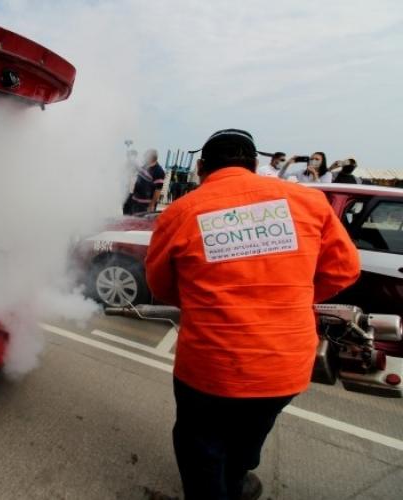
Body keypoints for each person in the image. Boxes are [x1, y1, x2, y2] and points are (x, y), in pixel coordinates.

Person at [145, 129, 360, 500]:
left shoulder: (182, 211)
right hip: (284, 366)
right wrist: (295, 295)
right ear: (254, 164)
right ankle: (237, 482)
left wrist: (202, 301)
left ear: (200, 167)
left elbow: (161, 285)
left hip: (210, 367)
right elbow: (344, 269)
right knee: (250, 432)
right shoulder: (307, 202)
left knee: (200, 446)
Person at [126, 149, 165, 214]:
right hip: (135, 201)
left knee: (141, 223)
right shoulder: (145, 166)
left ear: (151, 158)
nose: (144, 158)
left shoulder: (159, 171)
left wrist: (152, 205)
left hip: (146, 205)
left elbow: (158, 190)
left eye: (146, 156)